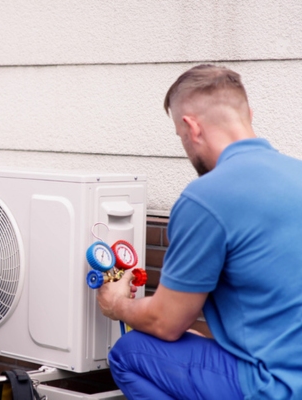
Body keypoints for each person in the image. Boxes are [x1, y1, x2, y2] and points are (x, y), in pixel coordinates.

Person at [97, 64, 302, 399]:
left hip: (271, 387)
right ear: (248, 114)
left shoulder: (206, 198)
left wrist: (117, 305)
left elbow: (167, 323)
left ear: (191, 128)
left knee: (129, 353)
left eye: (180, 136)